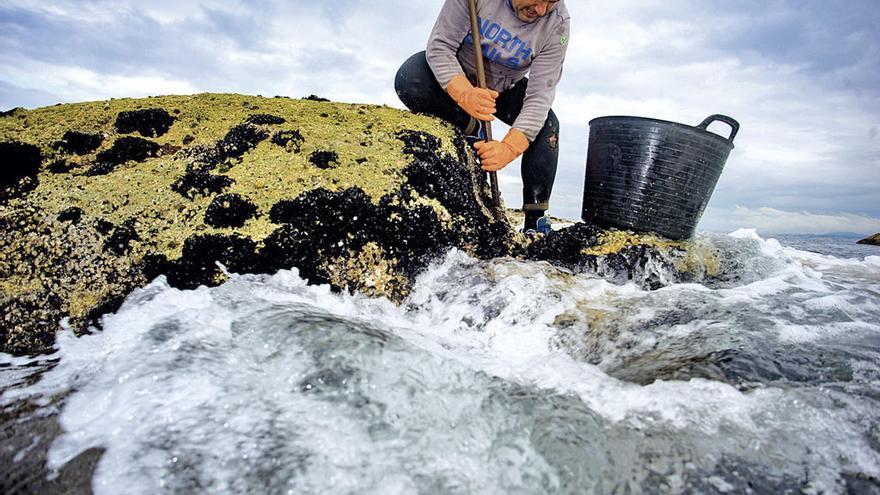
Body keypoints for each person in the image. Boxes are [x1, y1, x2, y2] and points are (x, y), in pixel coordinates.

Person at [395, 0, 570, 231]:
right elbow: (440, 47)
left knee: (548, 126)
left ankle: (535, 219)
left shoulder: (557, 23)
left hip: (503, 87)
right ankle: (470, 125)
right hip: (456, 75)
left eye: (552, 1)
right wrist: (464, 93)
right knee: (410, 78)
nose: (541, 10)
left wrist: (509, 147)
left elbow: (540, 97)